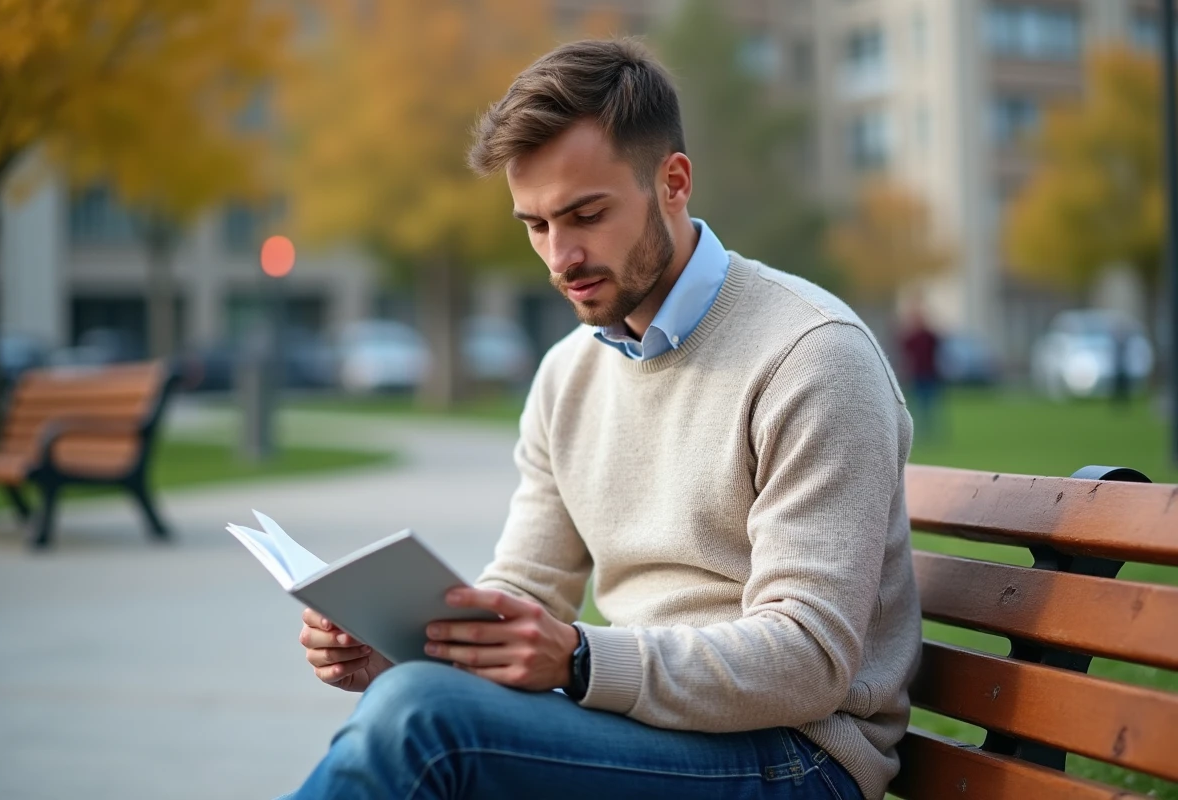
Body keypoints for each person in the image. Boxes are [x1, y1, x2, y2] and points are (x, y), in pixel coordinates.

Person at [287, 39, 919, 800]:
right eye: (536, 225)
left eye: (586, 214)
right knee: (408, 699)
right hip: (647, 733)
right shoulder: (569, 372)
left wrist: (581, 661)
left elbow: (809, 660)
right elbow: (526, 584)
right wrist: (402, 650)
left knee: (424, 723)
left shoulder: (812, 355)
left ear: (673, 182)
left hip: (797, 758)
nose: (560, 257)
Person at [898, 305, 943, 442]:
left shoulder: (930, 337)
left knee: (931, 404)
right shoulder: (913, 338)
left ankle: (933, 432)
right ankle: (918, 432)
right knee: (917, 405)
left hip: (929, 374)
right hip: (917, 374)